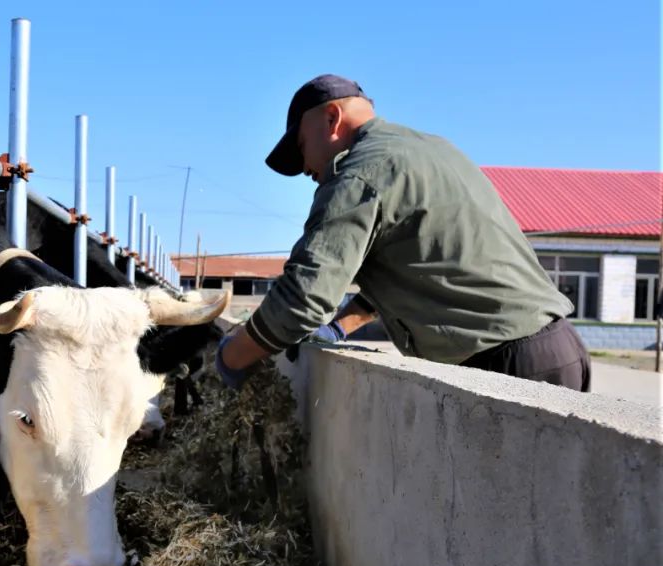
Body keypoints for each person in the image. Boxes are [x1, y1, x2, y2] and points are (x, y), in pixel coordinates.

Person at [216, 74, 590, 392]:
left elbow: (302, 298)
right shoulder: (428, 149)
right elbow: (424, 263)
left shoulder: (358, 173)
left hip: (507, 366)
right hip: (560, 349)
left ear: (332, 118)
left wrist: (231, 357)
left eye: (301, 147)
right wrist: (339, 328)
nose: (305, 169)